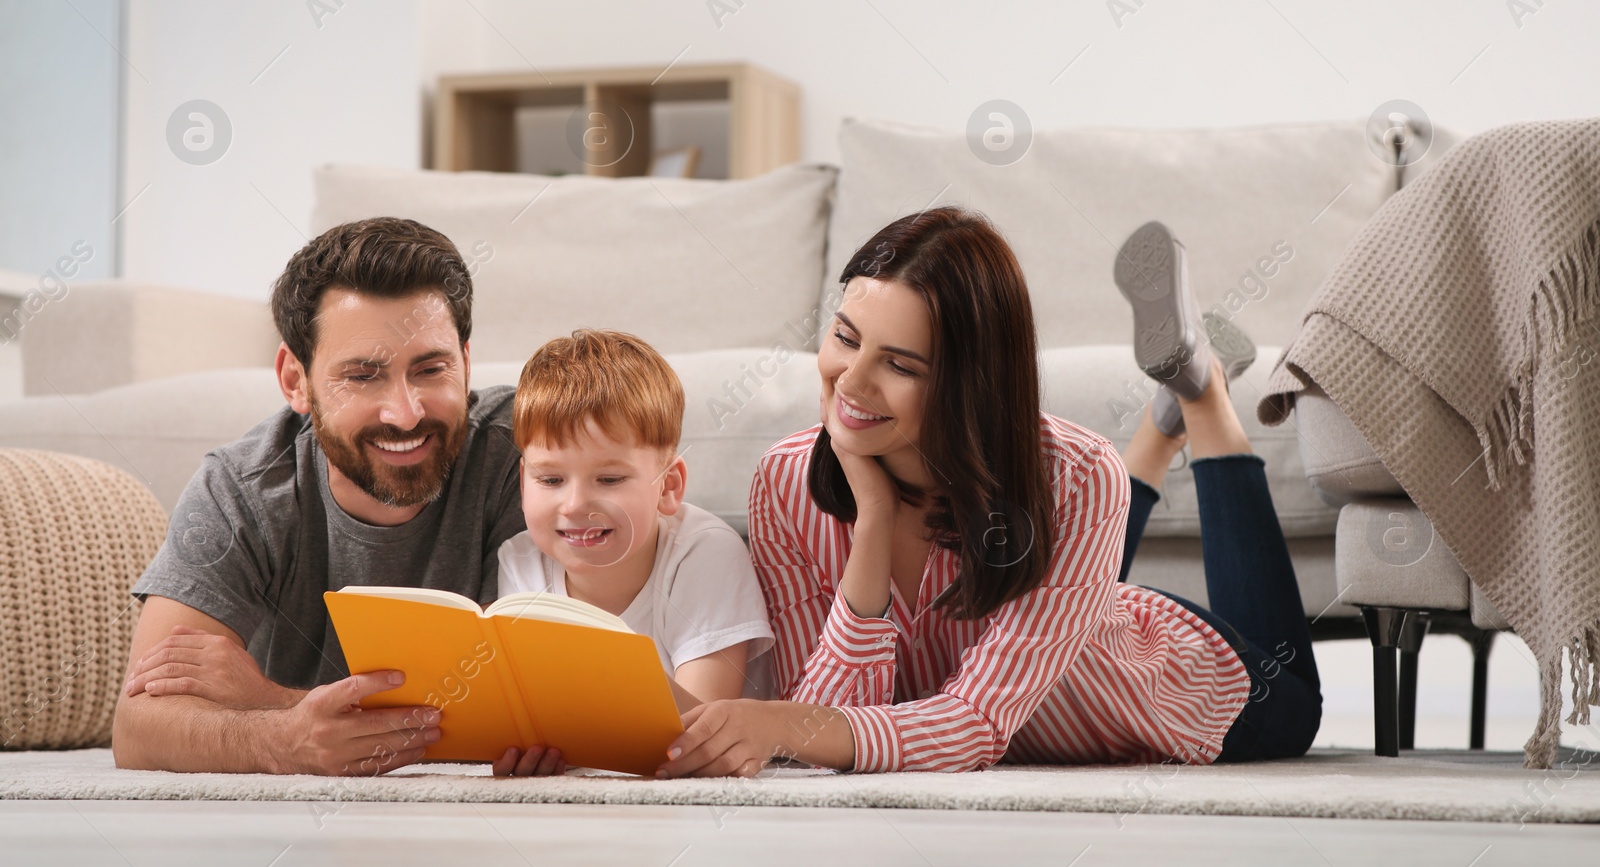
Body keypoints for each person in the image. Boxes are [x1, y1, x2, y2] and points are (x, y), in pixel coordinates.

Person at [655, 208, 1320, 777]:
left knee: (1298, 702)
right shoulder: (784, 479)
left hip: (1169, 687)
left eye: (898, 363)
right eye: (845, 338)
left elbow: (974, 722)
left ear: (967, 383)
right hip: (1061, 609)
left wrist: (780, 724)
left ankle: (1201, 399)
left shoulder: (1081, 473)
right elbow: (814, 727)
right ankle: (1161, 423)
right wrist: (873, 527)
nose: (851, 382)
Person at [114, 217, 526, 775]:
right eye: (362, 376)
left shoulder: (531, 456)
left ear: (467, 362)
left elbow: (561, 715)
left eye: (431, 368)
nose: (405, 413)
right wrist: (281, 739)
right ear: (295, 381)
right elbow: (139, 729)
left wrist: (267, 701)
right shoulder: (241, 490)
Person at [493, 329, 774, 777]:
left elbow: (704, 733)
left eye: (609, 480)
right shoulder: (521, 559)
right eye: (550, 480)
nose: (574, 505)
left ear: (669, 486)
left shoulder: (703, 554)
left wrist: (603, 668)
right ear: (524, 480)